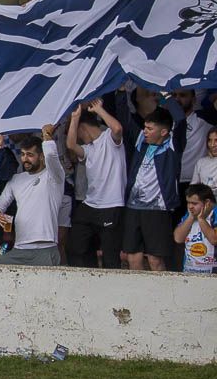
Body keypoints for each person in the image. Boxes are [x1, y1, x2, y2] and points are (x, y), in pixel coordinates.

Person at [65, 99, 126, 268]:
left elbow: (118, 128)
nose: (77, 137)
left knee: (110, 256)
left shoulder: (110, 139)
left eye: (77, 132)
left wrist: (99, 110)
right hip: (90, 204)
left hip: (111, 205)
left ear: (83, 129)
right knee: (75, 246)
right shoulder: (88, 149)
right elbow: (70, 145)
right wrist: (75, 117)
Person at [0, 126, 64, 266]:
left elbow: (52, 156)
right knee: (1, 265)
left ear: (42, 156)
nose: (25, 159)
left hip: (45, 248)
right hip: (19, 247)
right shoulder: (16, 179)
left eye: (30, 155)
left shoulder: (53, 176)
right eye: (23, 154)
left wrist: (47, 135)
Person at [122, 107, 180, 272]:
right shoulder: (141, 141)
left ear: (163, 132)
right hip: (133, 207)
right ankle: (137, 296)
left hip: (158, 209)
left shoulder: (173, 146)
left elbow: (180, 121)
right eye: (145, 128)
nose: (145, 131)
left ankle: (162, 297)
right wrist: (120, 93)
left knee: (155, 260)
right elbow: (125, 119)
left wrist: (167, 97)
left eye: (149, 129)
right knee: (133, 257)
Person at [174, 184, 216, 274]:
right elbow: (178, 238)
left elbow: (214, 240)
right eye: (188, 202)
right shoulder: (189, 215)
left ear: (207, 202)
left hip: (212, 275)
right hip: (189, 272)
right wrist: (190, 218)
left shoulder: (215, 214)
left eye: (194, 203)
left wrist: (201, 219)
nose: (190, 207)